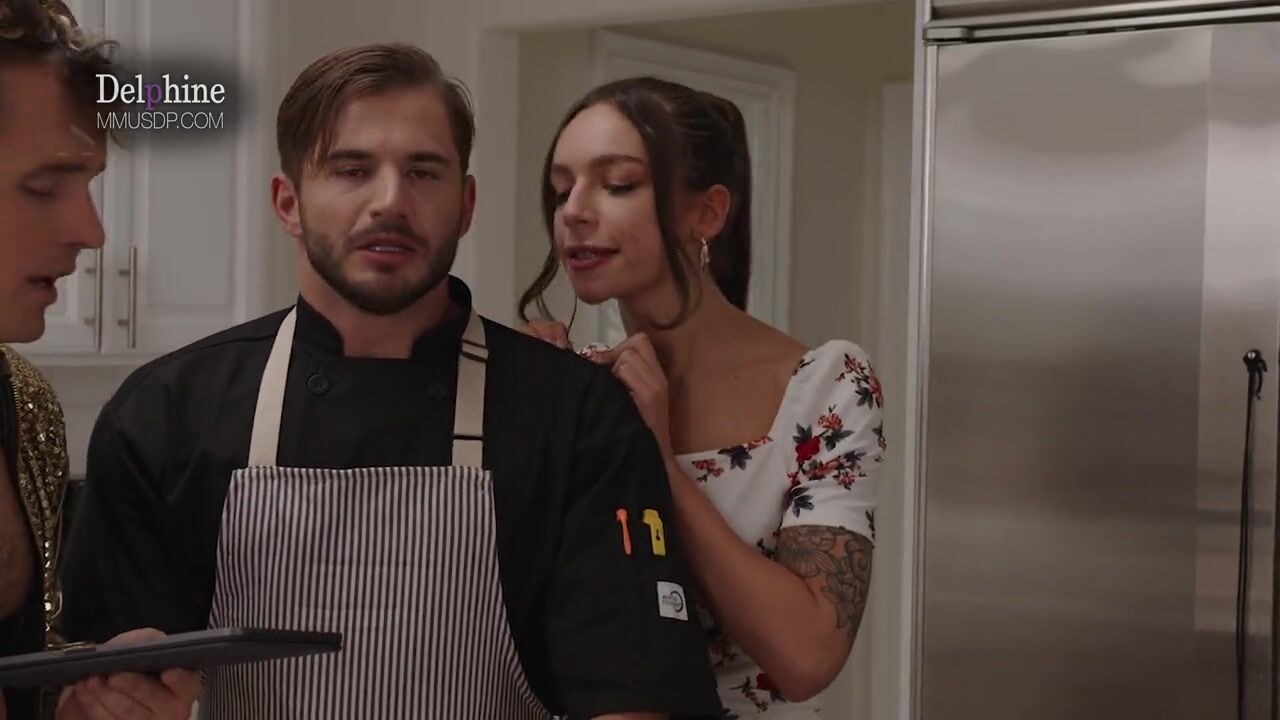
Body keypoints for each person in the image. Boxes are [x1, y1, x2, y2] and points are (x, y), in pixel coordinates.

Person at [58, 43, 721, 719]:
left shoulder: (576, 417)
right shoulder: (166, 413)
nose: (391, 201)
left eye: (423, 172)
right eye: (352, 169)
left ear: (466, 205)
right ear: (288, 203)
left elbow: (631, 697)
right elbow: (95, 692)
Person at [520, 77, 884, 717]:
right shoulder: (576, 386)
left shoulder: (823, 388)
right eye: (561, 189)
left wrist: (659, 462)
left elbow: (806, 659)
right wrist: (516, 408)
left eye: (617, 184)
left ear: (707, 213)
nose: (573, 211)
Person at [0, 1, 129, 717]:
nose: (91, 230)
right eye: (44, 187)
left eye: (89, 185)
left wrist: (80, 704)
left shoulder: (26, 408)